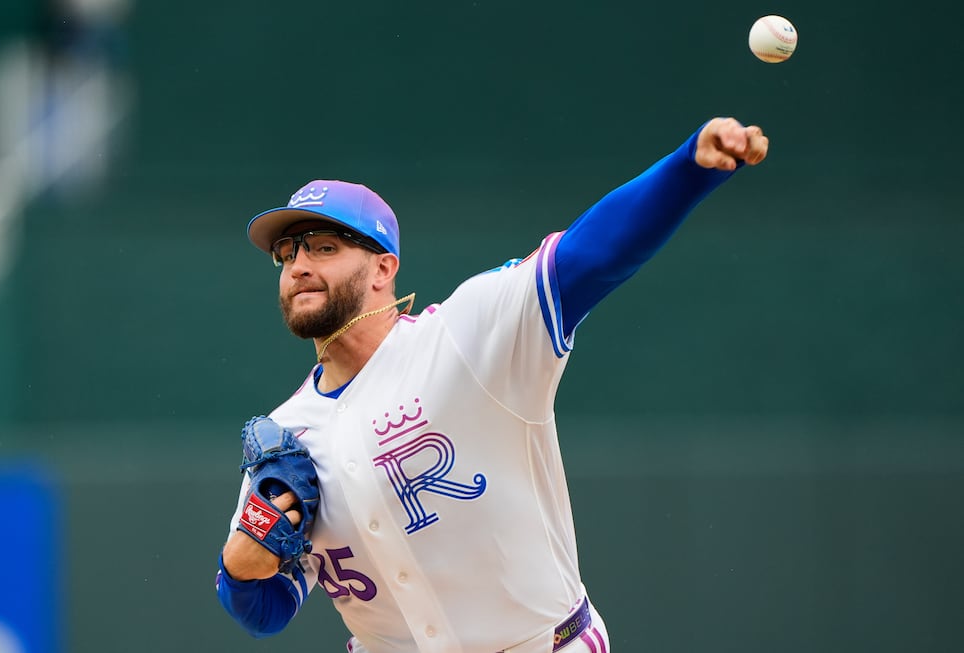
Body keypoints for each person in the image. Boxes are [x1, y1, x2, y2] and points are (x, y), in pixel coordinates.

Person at [215, 117, 769, 653]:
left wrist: (687, 170)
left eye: (323, 247)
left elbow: (591, 255)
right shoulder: (289, 436)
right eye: (286, 254)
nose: (298, 266)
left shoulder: (465, 335)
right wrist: (239, 564)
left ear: (383, 269)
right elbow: (265, 612)